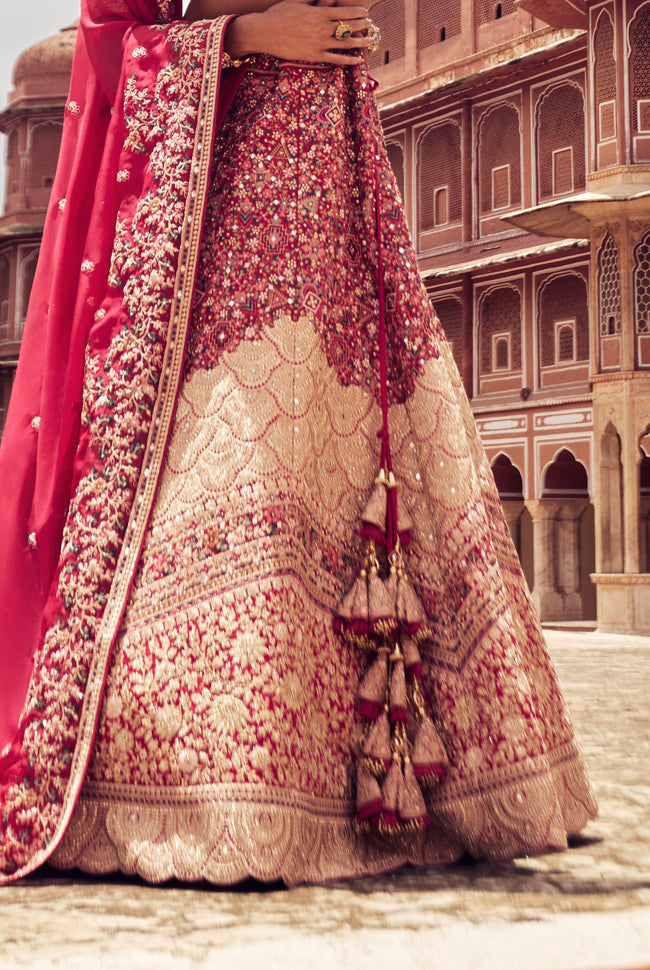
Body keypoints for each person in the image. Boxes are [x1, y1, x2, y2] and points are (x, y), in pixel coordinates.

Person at [0, 0, 596, 886]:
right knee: (252, 442)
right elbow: (113, 32)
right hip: (223, 188)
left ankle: (419, 780)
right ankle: (227, 783)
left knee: (358, 437)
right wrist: (245, 38)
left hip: (338, 166)